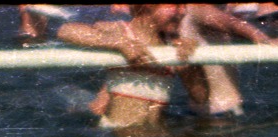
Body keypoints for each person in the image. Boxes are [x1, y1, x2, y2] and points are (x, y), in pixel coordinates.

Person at [57, 4, 195, 130]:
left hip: (155, 131)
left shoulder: (172, 44)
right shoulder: (122, 32)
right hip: (120, 130)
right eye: (176, 5)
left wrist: (190, 60)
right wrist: (120, 43)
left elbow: (200, 96)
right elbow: (65, 31)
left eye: (184, 6)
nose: (183, 11)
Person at [175, 3, 278, 117]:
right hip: (222, 112)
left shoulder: (182, 13)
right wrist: (262, 38)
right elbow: (230, 24)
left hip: (201, 111)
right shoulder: (197, 9)